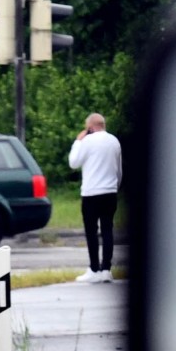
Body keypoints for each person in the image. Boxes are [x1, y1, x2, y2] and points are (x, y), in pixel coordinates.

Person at [68, 113, 122, 283]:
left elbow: (74, 162)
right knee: (107, 229)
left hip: (91, 192)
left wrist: (78, 141)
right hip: (110, 192)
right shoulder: (114, 141)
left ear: (90, 127)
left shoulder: (87, 141)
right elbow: (119, 170)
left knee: (91, 231)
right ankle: (106, 269)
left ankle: (94, 268)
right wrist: (115, 186)